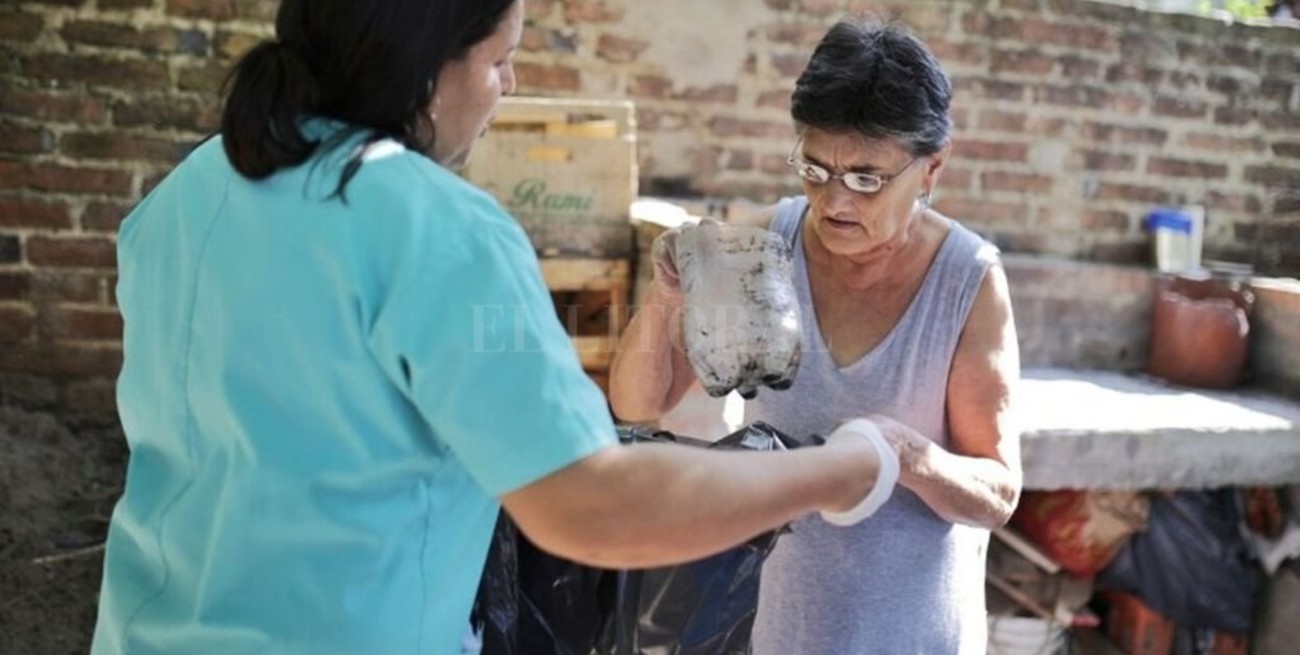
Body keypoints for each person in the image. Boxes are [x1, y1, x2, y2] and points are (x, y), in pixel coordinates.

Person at [90, 2, 891, 654]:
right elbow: (590, 504)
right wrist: (838, 470)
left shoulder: (188, 191)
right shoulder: (441, 229)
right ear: (426, 70)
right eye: (500, 59)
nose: (509, 83)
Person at [610, 16, 1023, 654]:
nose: (834, 202)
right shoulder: (765, 249)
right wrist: (666, 300)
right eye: (813, 168)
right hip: (772, 628)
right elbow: (639, 403)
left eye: (866, 178)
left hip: (910, 638)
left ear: (932, 168)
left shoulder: (966, 281)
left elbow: (996, 494)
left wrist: (903, 455)